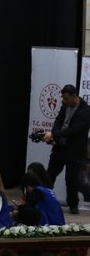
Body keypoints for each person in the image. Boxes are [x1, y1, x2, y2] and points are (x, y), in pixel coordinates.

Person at [42, 84, 90, 214]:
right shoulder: (65, 106)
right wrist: (54, 135)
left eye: (66, 98)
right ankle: (43, 198)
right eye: (63, 98)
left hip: (74, 150)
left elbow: (74, 130)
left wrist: (54, 134)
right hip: (60, 147)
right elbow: (58, 122)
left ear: (75, 96)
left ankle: (73, 205)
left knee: (71, 178)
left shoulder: (85, 111)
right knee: (50, 174)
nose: (64, 101)